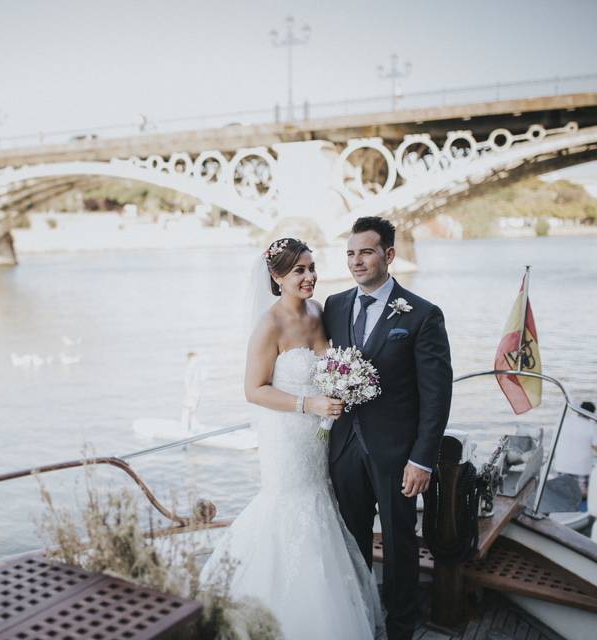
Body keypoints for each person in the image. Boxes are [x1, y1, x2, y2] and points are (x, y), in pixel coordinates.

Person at [201, 237, 384, 639]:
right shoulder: (269, 325)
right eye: (299, 270)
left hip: (321, 439)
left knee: (322, 505)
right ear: (276, 276)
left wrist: (343, 388)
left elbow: (333, 368)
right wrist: (309, 404)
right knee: (289, 507)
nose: (309, 277)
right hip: (288, 438)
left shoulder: (320, 311)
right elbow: (254, 389)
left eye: (312, 268)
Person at [322, 217, 453, 640]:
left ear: (389, 255)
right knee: (352, 540)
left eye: (366, 252)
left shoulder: (422, 315)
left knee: (399, 544)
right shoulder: (335, 305)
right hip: (343, 449)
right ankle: (360, 618)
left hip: (398, 455)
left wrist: (422, 458)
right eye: (350, 253)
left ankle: (401, 627)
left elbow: (436, 396)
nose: (356, 262)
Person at [553, 401, 597, 504]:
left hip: (561, 465)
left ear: (579, 410)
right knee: (582, 495)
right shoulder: (591, 426)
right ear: (591, 414)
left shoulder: (564, 421)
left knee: (563, 492)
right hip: (581, 468)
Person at [180, 351, 203, 433]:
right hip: (191, 393)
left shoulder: (195, 368)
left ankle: (193, 426)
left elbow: (197, 382)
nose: (196, 359)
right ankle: (185, 428)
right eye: (194, 358)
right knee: (188, 409)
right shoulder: (189, 368)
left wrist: (197, 393)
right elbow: (186, 382)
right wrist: (190, 393)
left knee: (192, 410)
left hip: (195, 393)